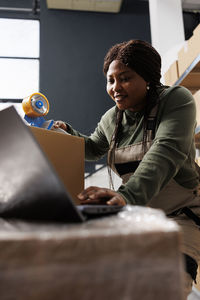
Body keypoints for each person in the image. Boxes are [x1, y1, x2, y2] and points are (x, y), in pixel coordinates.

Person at [54, 39, 200, 297]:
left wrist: (127, 195)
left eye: (125, 78)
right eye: (110, 80)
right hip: (142, 214)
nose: (115, 87)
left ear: (148, 77)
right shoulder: (112, 118)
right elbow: (94, 147)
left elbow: (166, 152)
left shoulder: (176, 100)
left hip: (182, 215)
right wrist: (68, 135)